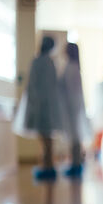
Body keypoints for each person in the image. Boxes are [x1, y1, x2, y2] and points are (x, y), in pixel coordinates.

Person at [25, 36, 62, 180]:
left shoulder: (37, 62)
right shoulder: (50, 62)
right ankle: (48, 165)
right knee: (47, 137)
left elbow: (32, 85)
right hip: (48, 106)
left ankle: (48, 166)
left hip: (40, 106)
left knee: (45, 137)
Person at [59, 43, 91, 177]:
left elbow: (71, 91)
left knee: (75, 137)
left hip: (72, 108)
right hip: (72, 108)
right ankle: (75, 163)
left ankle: (76, 164)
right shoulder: (72, 67)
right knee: (74, 137)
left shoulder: (71, 68)